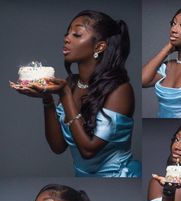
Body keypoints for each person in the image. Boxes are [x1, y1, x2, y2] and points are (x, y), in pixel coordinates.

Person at [10, 10, 141, 177]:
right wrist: (47, 100)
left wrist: (64, 94)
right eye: (67, 33)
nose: (66, 38)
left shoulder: (120, 90)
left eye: (77, 34)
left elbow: (88, 150)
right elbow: (58, 147)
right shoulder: (72, 83)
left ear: (99, 47)